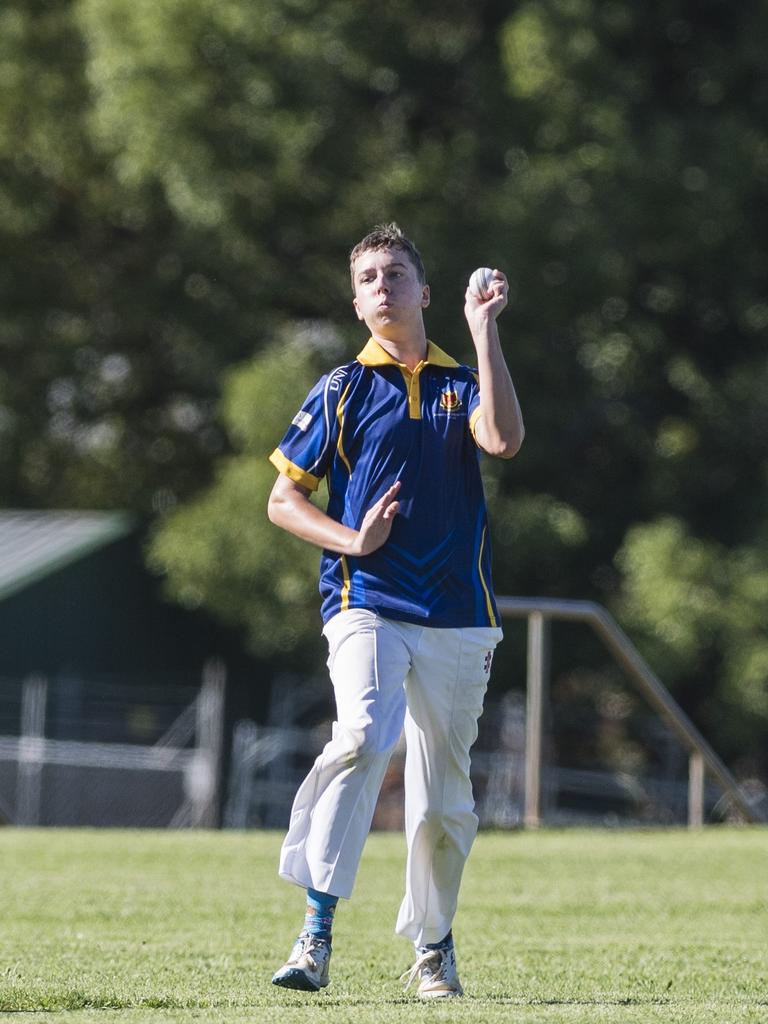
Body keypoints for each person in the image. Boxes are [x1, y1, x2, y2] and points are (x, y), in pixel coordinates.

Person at [266, 223, 524, 998]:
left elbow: (503, 439)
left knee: (444, 794)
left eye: (397, 273)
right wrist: (354, 537)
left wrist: (485, 335)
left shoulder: (461, 381)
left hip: (457, 613)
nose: (383, 286)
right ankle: (315, 933)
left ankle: (433, 947)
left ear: (424, 291)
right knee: (363, 733)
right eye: (370, 278)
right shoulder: (341, 387)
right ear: (355, 302)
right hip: (366, 599)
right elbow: (283, 500)